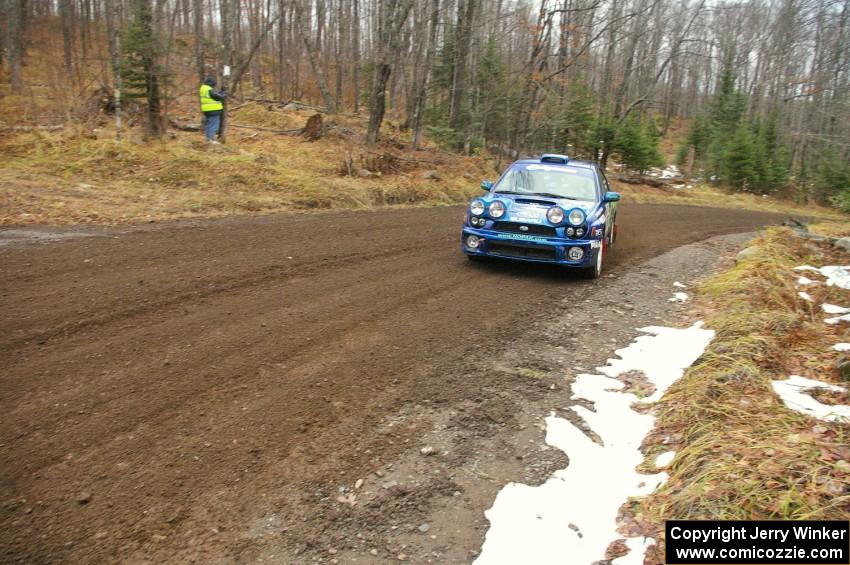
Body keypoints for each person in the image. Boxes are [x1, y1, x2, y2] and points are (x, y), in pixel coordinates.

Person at [199, 77, 226, 143]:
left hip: (206, 110)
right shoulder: (209, 89)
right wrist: (223, 92)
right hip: (213, 110)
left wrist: (220, 92)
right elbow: (219, 97)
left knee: (208, 124)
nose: (214, 86)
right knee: (213, 125)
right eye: (213, 85)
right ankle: (212, 140)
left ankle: (208, 139)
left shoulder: (203, 88)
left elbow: (214, 95)